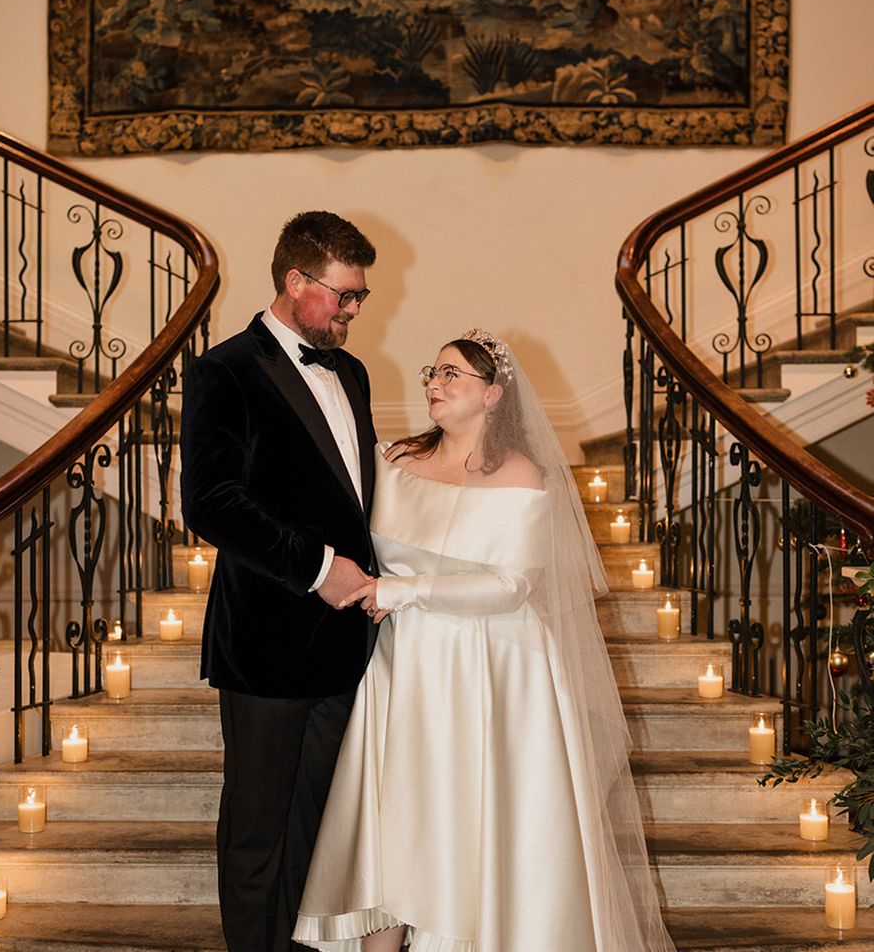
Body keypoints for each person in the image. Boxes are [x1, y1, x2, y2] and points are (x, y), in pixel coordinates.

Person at [292, 329, 676, 952]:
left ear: (494, 395)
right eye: (432, 372)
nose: (434, 384)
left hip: (493, 667)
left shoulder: (521, 476)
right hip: (406, 663)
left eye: (452, 375)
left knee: (470, 821)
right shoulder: (392, 463)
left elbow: (511, 585)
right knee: (397, 820)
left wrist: (401, 592)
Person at [180, 211, 385, 952]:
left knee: (320, 827)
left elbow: (355, 501)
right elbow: (210, 504)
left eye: (359, 295)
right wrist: (321, 569)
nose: (354, 309)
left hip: (344, 647)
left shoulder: (353, 373)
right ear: (295, 281)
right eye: (344, 294)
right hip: (265, 641)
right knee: (258, 831)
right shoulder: (224, 370)